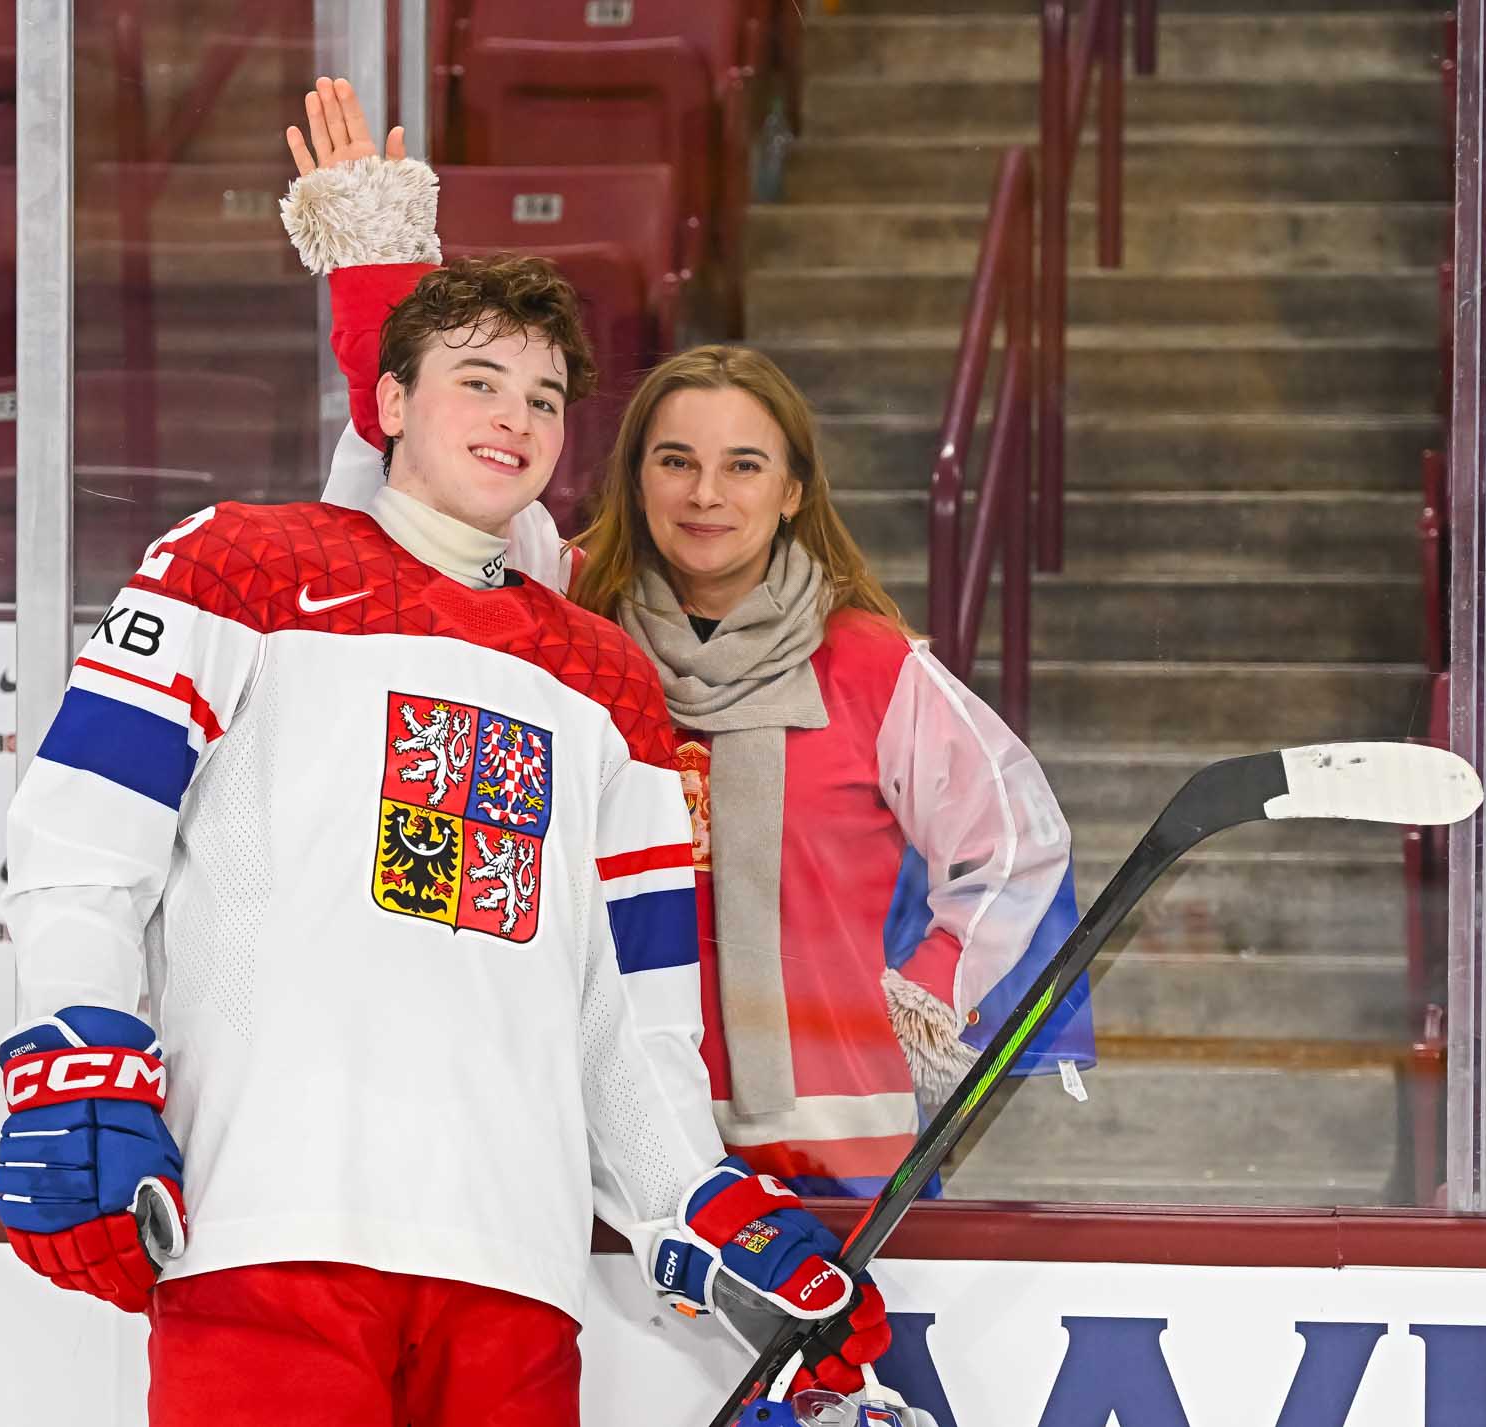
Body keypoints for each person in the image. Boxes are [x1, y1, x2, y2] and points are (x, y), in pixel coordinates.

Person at [0, 78, 890, 1427]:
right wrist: (78, 1042)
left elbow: (630, 1015)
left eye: (544, 397)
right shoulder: (240, 567)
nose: (515, 416)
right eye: (477, 381)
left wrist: (695, 1205)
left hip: (512, 1266)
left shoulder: (607, 684)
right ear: (390, 401)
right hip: (268, 1222)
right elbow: (81, 834)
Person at [295, 88, 1096, 1202]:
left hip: (837, 1162)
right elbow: (427, 495)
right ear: (632, 477)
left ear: (793, 489)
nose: (706, 493)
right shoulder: (559, 615)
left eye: (743, 466)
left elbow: (1017, 844)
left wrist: (925, 992)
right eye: (674, 461)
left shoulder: (872, 665)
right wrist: (382, 275)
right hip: (603, 1154)